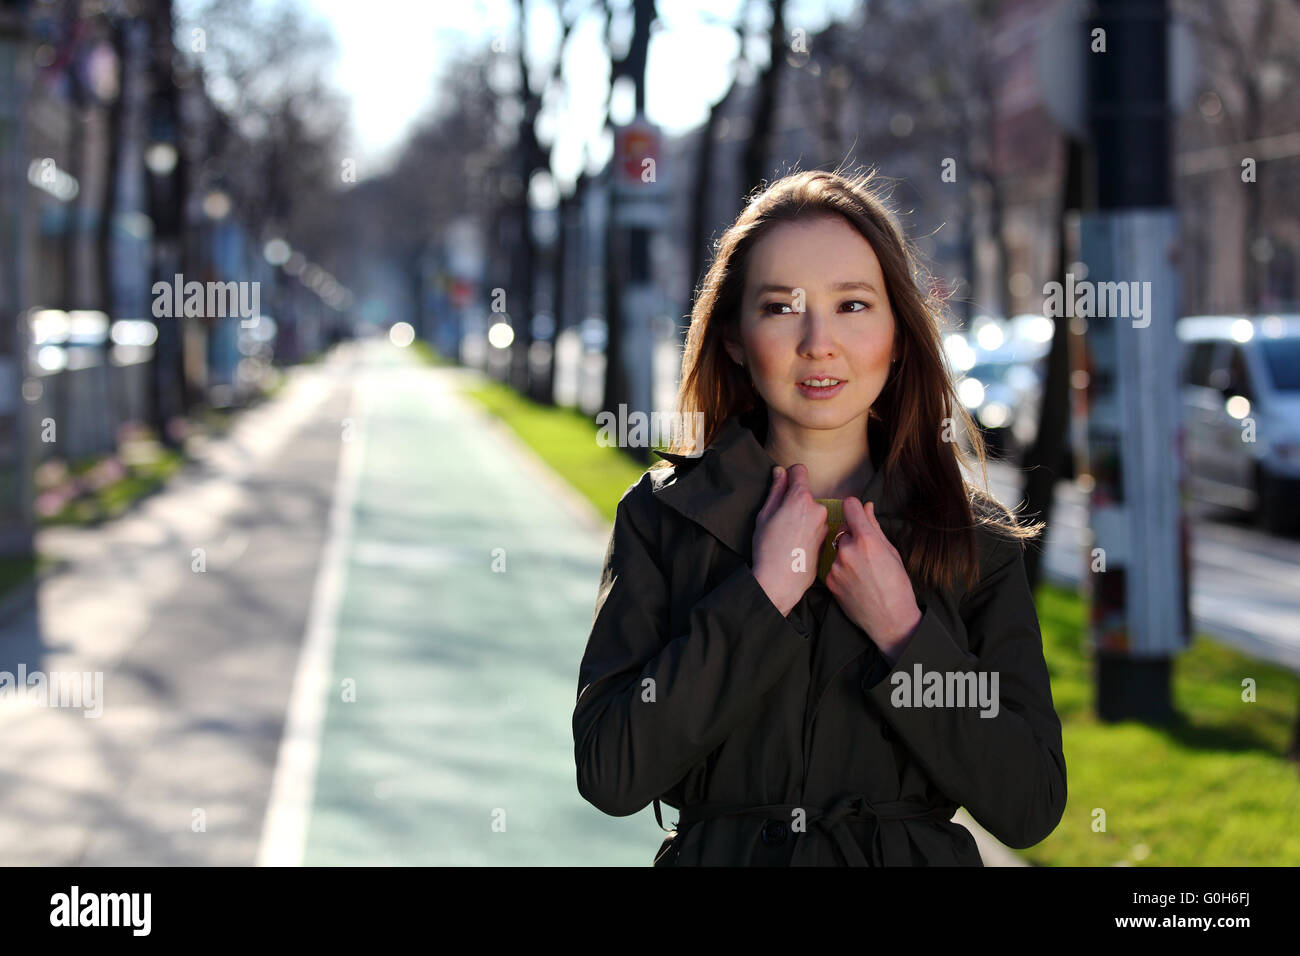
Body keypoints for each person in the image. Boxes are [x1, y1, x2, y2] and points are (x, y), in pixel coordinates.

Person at [571, 168, 1067, 866]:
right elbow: (611, 770)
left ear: (899, 330)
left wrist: (904, 634)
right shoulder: (664, 518)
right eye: (780, 307)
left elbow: (1030, 802)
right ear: (736, 337)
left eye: (853, 306)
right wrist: (761, 598)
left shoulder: (974, 539)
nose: (818, 342)